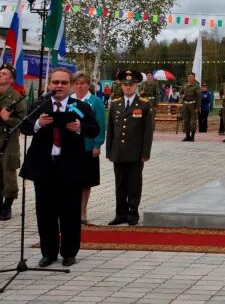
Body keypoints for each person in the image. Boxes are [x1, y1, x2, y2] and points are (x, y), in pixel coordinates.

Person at [20, 67, 99, 267]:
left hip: (70, 167)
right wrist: (38, 123)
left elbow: (94, 129)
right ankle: (48, 252)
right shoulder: (39, 105)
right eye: (55, 82)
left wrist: (79, 127)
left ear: (71, 85)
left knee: (70, 212)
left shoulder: (79, 106)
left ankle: (69, 252)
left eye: (64, 82)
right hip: (44, 167)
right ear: (49, 85)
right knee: (45, 211)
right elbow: (24, 126)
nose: (59, 86)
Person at [106, 69, 155, 226]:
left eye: (131, 84)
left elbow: (148, 132)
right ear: (121, 86)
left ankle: (132, 213)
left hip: (135, 152)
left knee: (134, 184)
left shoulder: (144, 104)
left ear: (136, 86)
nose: (127, 87)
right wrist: (109, 151)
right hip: (118, 152)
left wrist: (145, 153)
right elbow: (111, 130)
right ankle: (120, 213)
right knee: (119, 184)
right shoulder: (115, 104)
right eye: (125, 84)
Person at [70, 71, 106, 225]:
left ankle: (82, 210)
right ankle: (70, 209)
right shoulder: (68, 100)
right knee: (70, 180)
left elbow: (100, 124)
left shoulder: (95, 101)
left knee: (85, 181)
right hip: (69, 147)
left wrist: (97, 144)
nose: (79, 86)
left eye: (82, 83)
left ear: (88, 84)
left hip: (87, 146)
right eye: (76, 83)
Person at [0, 64, 25, 221]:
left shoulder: (16, 97)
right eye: (0, 72)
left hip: (8, 141)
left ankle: (7, 206)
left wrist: (8, 120)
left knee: (8, 174)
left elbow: (24, 121)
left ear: (11, 79)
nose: (1, 75)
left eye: (4, 73)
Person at [180, 72, 201, 142]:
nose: (190, 78)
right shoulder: (184, 85)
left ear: (194, 78)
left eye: (192, 77)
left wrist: (198, 107)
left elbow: (198, 97)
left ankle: (192, 136)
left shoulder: (196, 86)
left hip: (193, 105)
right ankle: (187, 136)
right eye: (189, 76)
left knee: (193, 122)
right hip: (185, 105)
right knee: (186, 121)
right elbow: (181, 93)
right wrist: (182, 96)